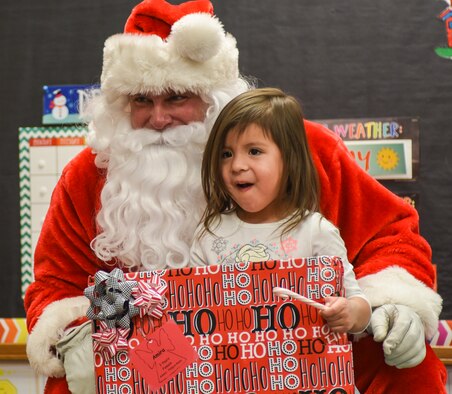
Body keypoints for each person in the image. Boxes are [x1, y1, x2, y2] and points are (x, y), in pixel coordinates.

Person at [23, 0, 445, 393]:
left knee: (404, 362)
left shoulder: (299, 148)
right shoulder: (89, 176)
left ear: (214, 99)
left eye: (177, 96)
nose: (158, 118)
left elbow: (389, 234)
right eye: (140, 100)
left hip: (304, 349)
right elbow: (56, 280)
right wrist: (79, 327)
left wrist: (389, 302)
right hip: (157, 357)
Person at [190, 87, 372, 341]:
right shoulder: (209, 234)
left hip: (309, 375)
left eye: (254, 151)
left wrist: (349, 312)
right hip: (235, 376)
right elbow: (192, 314)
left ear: (289, 159)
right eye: (226, 154)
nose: (237, 165)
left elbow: (359, 305)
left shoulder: (315, 231)